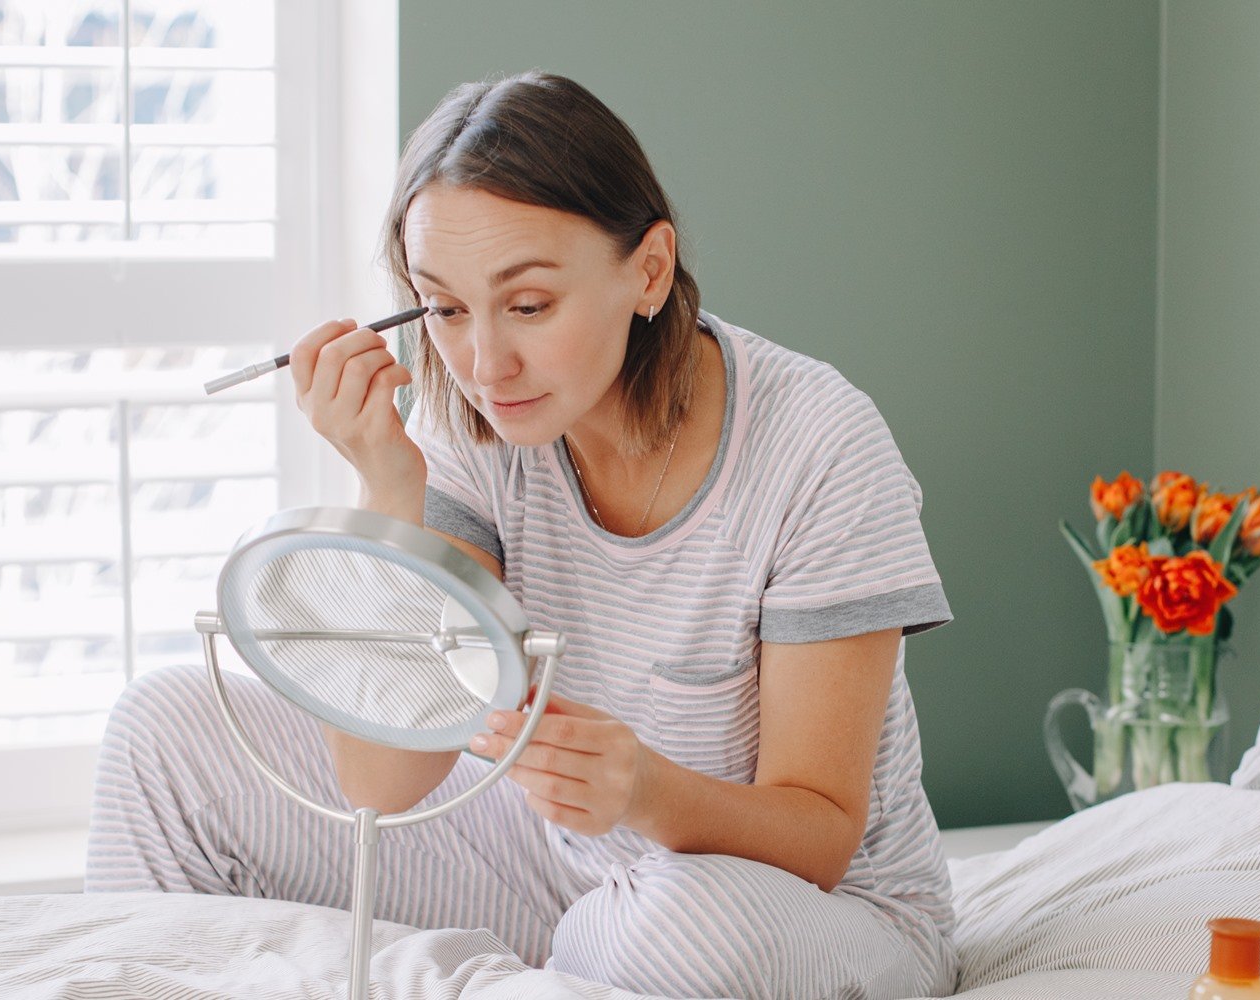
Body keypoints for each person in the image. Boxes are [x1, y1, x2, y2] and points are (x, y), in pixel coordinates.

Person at [86, 70, 958, 1000]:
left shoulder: (819, 445)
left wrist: (646, 792)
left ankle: (586, 965)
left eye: (530, 305)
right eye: (447, 310)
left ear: (649, 270)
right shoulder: (470, 425)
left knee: (677, 931)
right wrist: (389, 483)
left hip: (803, 909)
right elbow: (383, 781)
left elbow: (821, 835)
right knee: (162, 733)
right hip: (560, 869)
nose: (485, 364)